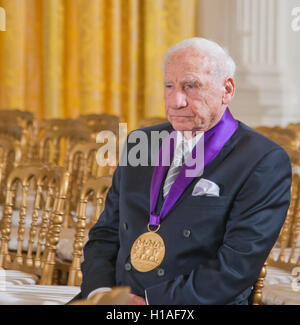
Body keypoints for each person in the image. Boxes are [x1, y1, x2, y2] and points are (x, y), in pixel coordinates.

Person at [73, 37, 291, 305]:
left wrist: (150, 303)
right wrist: (100, 293)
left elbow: (235, 268)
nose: (176, 100)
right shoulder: (140, 143)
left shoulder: (262, 160)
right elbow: (105, 234)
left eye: (191, 86)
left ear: (227, 89)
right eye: (169, 86)